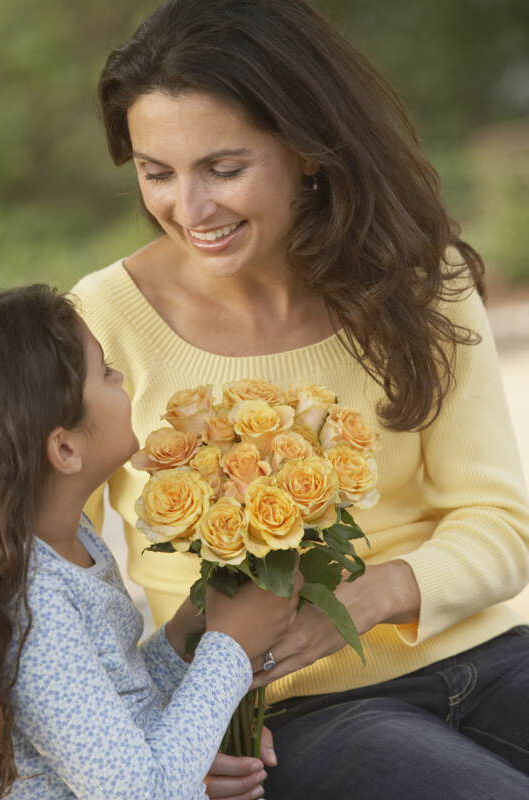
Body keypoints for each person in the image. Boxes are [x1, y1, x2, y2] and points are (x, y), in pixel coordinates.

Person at [71, 0, 529, 797]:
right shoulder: (101, 323)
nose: (191, 208)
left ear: (309, 152)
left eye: (224, 168)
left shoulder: (422, 284)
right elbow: (49, 572)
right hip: (296, 716)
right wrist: (154, 734)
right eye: (157, 173)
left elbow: (500, 524)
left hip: (491, 657)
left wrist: (364, 597)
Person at [0, 284, 303, 800]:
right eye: (104, 372)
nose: (120, 376)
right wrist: (231, 648)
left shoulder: (67, 538)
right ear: (64, 447)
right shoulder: (32, 606)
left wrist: (179, 642)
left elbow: (107, 700)